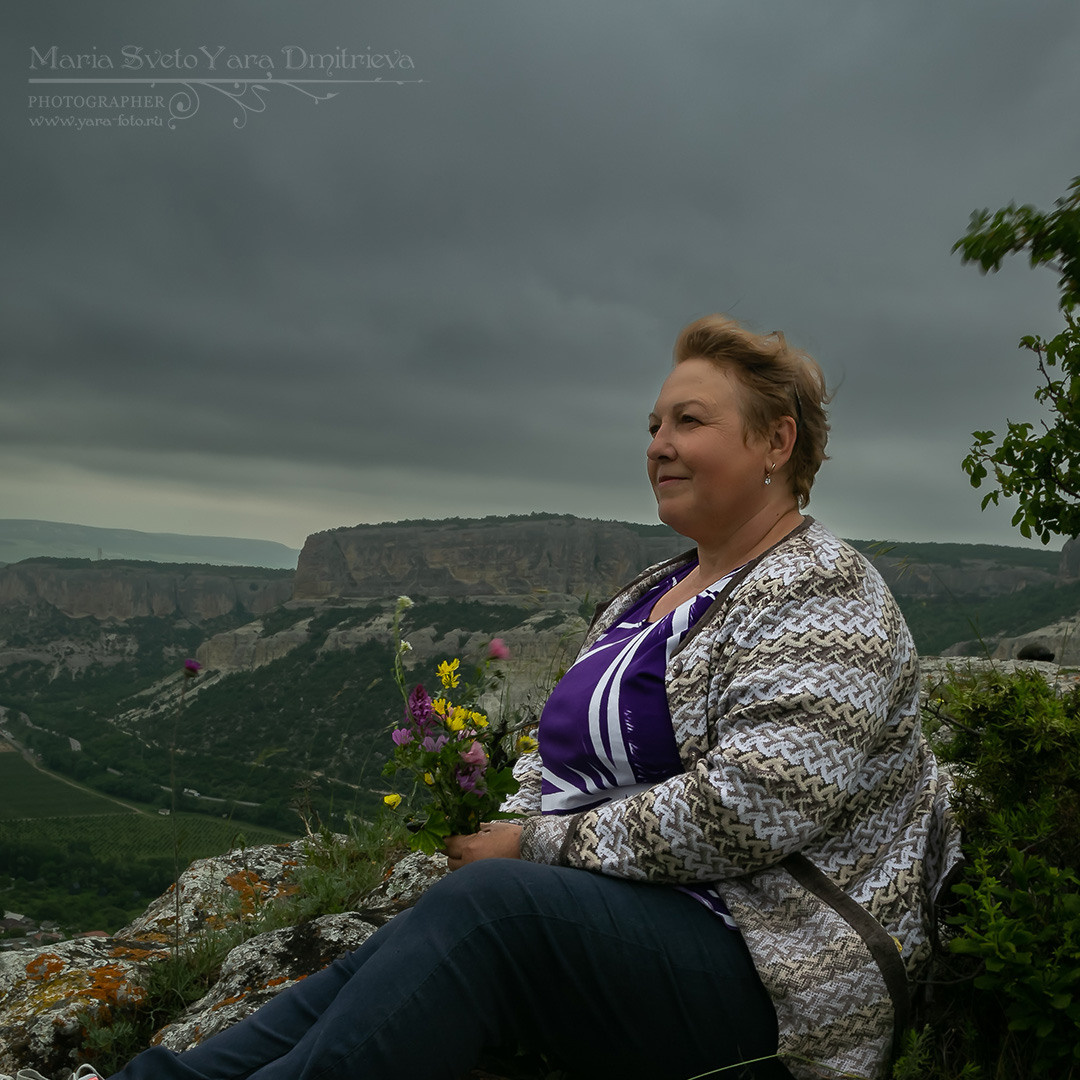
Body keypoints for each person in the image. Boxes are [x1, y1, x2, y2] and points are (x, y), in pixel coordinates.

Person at [97, 314, 960, 1080]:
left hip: (769, 968)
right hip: (628, 923)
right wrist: (503, 832)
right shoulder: (646, 593)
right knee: (406, 935)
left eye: (689, 421)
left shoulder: (824, 590)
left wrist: (534, 847)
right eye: (653, 423)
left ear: (777, 443)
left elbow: (758, 804)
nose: (658, 442)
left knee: (486, 912)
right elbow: (555, 759)